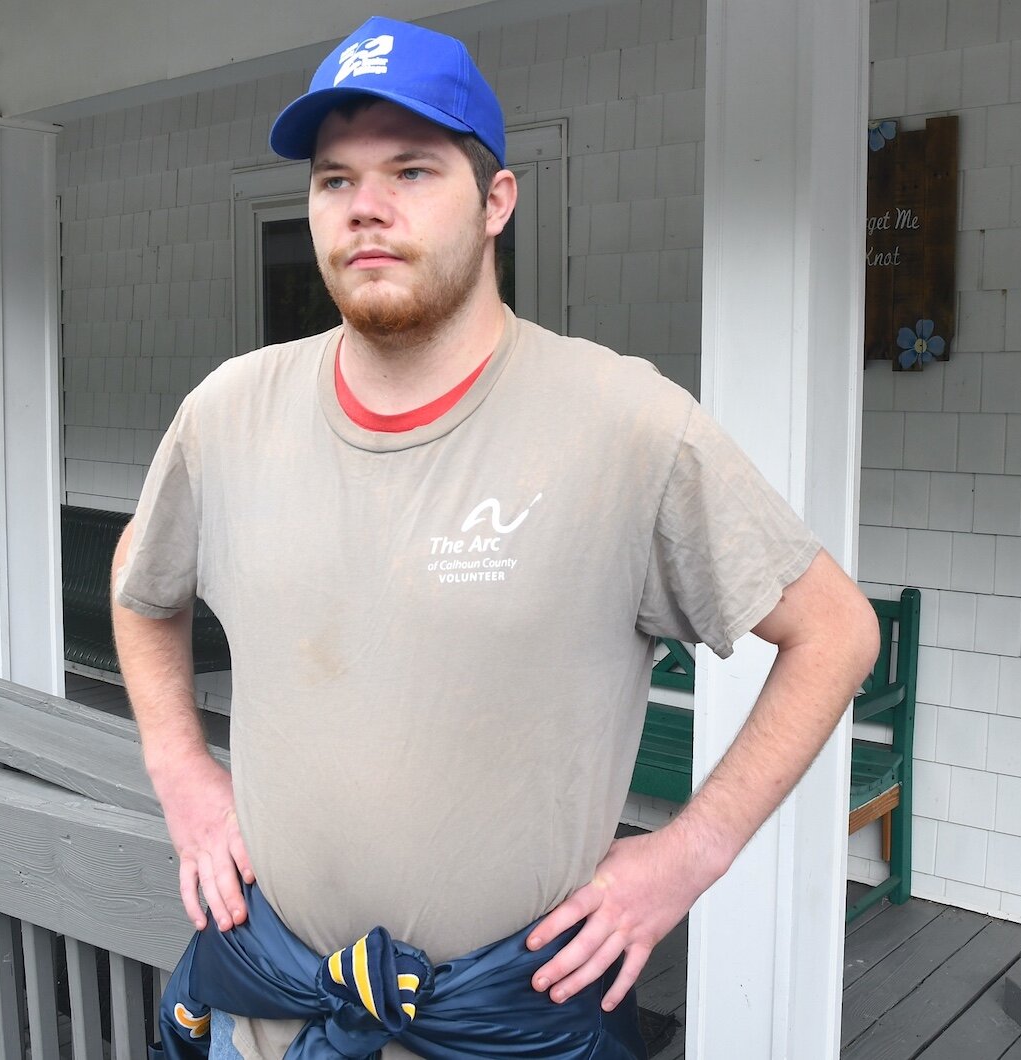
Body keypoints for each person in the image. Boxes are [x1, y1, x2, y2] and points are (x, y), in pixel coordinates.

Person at [112, 15, 880, 1060]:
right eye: (335, 179)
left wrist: (692, 851)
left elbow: (835, 630)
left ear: (496, 203)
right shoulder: (228, 414)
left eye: (413, 170)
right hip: (273, 1014)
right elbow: (141, 589)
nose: (366, 208)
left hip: (508, 1031)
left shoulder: (624, 425)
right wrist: (182, 772)